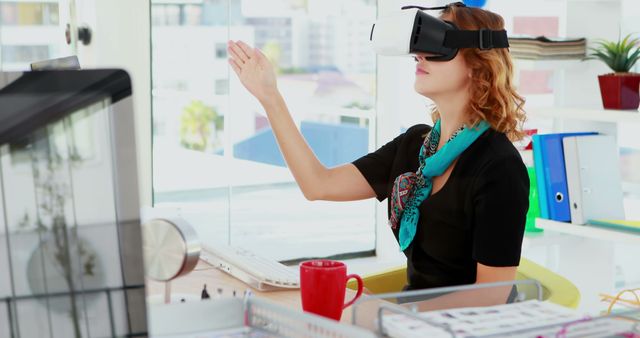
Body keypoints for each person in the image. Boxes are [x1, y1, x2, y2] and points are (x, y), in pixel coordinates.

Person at [227, 3, 529, 305]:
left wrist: (390, 310)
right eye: (420, 46)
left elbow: (490, 298)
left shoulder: (498, 167)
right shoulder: (416, 146)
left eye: (439, 44)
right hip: (412, 321)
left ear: (477, 67)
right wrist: (270, 97)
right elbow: (318, 184)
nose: (419, 55)